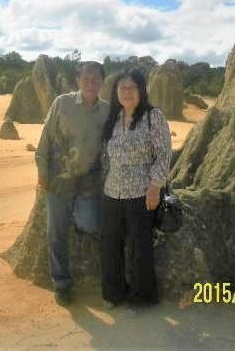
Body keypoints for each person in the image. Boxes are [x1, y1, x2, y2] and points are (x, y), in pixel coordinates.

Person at [36, 61, 110, 306]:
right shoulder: (62, 103)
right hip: (59, 178)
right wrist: (42, 172)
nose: (91, 83)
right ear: (78, 80)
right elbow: (45, 138)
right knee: (56, 232)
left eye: (96, 79)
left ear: (102, 82)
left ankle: (78, 216)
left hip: (88, 180)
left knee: (90, 224)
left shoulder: (107, 110)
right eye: (86, 78)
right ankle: (61, 284)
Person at [100, 68, 171, 310]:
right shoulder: (114, 117)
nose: (127, 92)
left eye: (132, 87)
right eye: (122, 88)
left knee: (140, 246)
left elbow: (163, 154)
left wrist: (155, 187)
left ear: (141, 90)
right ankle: (113, 293)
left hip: (141, 193)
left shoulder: (153, 116)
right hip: (112, 191)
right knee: (110, 243)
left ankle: (142, 298)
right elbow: (105, 155)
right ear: (116, 92)